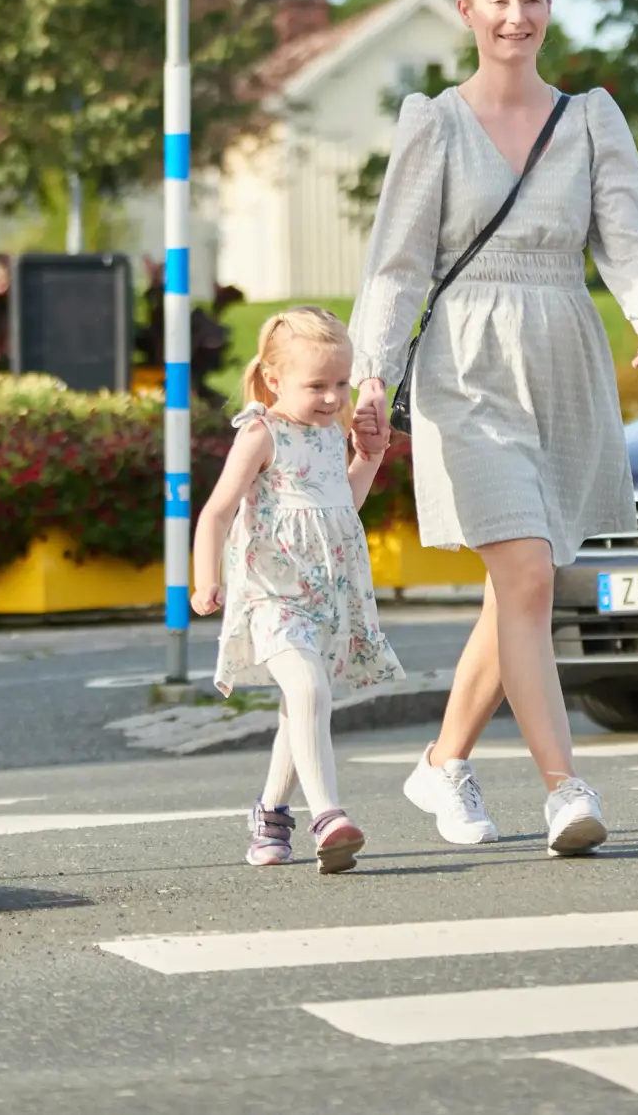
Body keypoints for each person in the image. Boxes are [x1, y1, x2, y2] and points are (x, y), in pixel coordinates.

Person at [350, 0, 638, 857]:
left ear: (548, 7)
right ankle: (563, 788)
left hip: (563, 358)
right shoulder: (434, 125)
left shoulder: (589, 120)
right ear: (466, 9)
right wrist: (371, 373)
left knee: (521, 588)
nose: (516, 15)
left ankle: (443, 763)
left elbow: (627, 230)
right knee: (530, 573)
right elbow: (396, 265)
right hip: (467, 369)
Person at [190, 306, 401, 873]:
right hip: (271, 593)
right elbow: (217, 511)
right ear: (274, 379)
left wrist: (369, 456)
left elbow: (342, 504)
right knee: (309, 691)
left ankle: (270, 814)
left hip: (325, 595)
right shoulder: (262, 433)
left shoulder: (331, 436)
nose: (334, 398)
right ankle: (328, 817)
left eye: (341, 383)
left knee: (300, 701)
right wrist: (205, 577)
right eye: (317, 385)